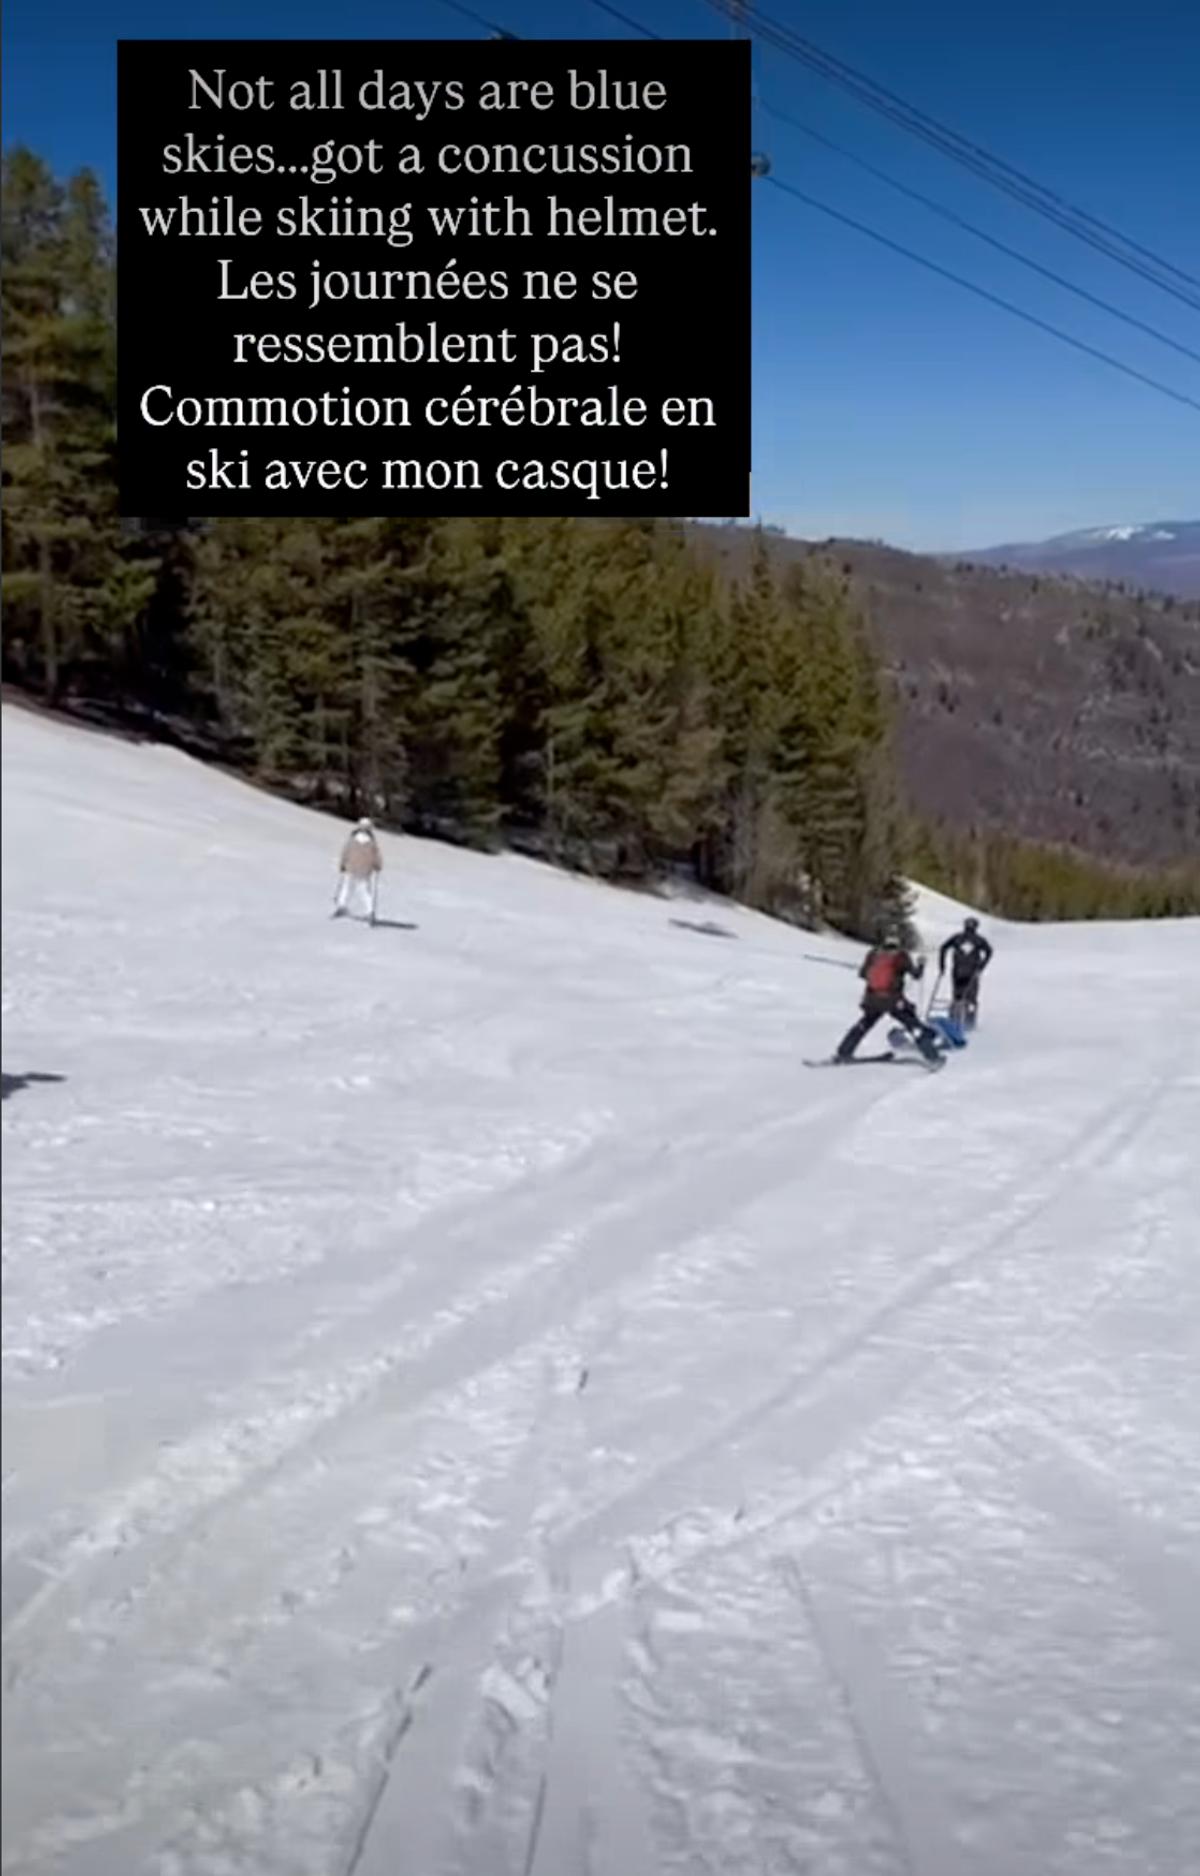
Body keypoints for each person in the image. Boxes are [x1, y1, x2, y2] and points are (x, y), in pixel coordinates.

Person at [834, 932, 944, 1066]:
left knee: (863, 1024)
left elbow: (863, 974)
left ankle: (843, 1052)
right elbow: (916, 975)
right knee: (912, 1024)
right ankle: (932, 1056)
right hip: (892, 1000)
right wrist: (921, 965)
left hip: (872, 998)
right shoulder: (901, 956)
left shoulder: (873, 954)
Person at [938, 916, 993, 1027]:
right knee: (969, 997)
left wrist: (942, 965)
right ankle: (967, 1020)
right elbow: (989, 952)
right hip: (969, 972)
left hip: (961, 971)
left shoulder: (959, 938)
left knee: (958, 996)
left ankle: (955, 1018)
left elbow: (943, 948)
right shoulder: (978, 940)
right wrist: (982, 966)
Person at [333, 817, 382, 922]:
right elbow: (376, 855)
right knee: (364, 891)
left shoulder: (352, 839)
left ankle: (341, 905)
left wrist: (342, 864)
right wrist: (377, 865)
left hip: (351, 867)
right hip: (364, 870)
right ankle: (370, 911)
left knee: (347, 887)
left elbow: (345, 851)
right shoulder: (371, 842)